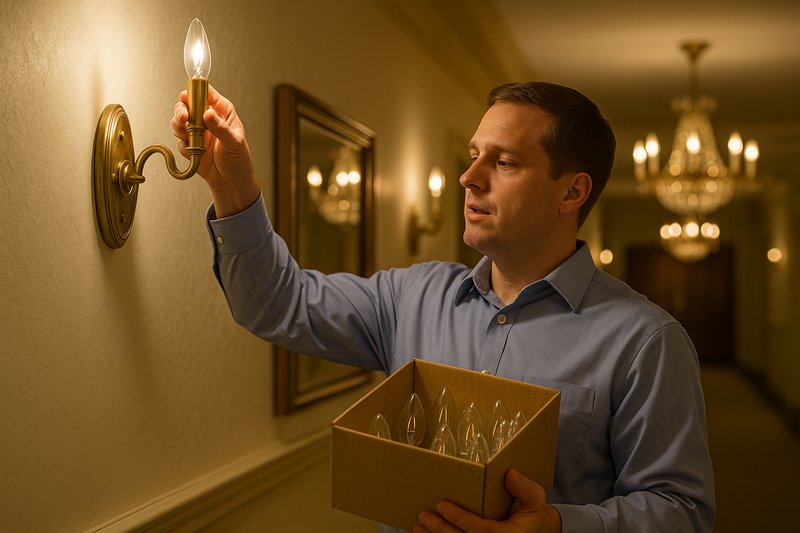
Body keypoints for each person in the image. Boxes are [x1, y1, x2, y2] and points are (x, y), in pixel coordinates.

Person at [172, 82, 715, 533]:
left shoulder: (645, 340)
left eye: (504, 162)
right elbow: (275, 305)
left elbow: (682, 511)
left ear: (571, 193)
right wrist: (233, 186)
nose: (469, 177)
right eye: (473, 156)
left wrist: (558, 525)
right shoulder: (411, 297)